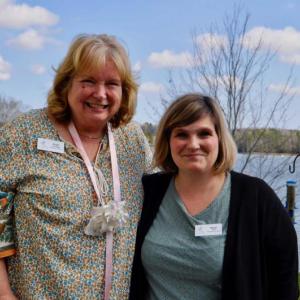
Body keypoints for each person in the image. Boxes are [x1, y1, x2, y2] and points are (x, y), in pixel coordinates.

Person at [0, 33, 152, 299]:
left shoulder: (132, 140)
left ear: (124, 91)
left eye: (112, 83)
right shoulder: (23, 134)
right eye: (88, 81)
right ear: (67, 83)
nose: (100, 93)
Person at [129, 93, 299, 300]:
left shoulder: (256, 198)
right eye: (181, 134)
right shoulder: (148, 192)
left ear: (219, 138)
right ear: (168, 141)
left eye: (204, 133)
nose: (193, 144)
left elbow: (284, 278)